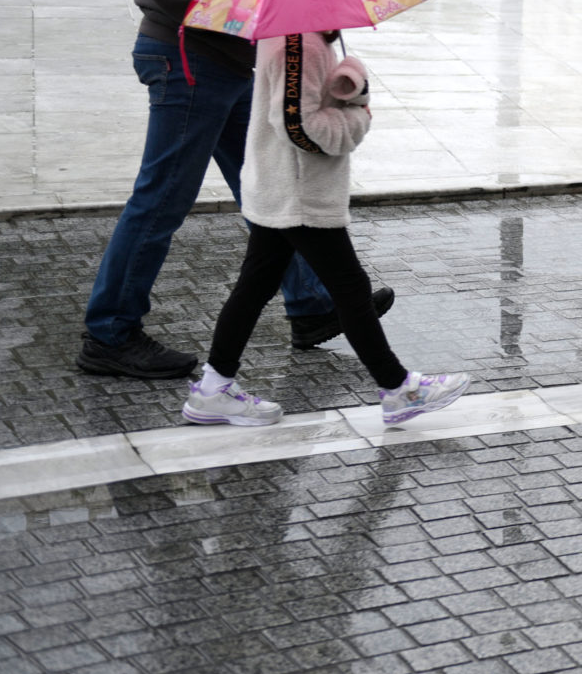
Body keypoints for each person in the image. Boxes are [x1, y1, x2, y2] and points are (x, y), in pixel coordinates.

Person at [79, 0, 392, 380]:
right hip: (192, 62)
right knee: (163, 198)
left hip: (221, 59)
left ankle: (309, 305)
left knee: (271, 183)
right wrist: (257, 19)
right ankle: (109, 331)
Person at [192, 28, 470, 427]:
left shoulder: (301, 39)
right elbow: (299, 127)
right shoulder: (298, 43)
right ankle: (398, 388)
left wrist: (347, 82)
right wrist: (356, 114)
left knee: (256, 285)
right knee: (350, 288)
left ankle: (212, 388)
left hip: (284, 186)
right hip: (298, 191)